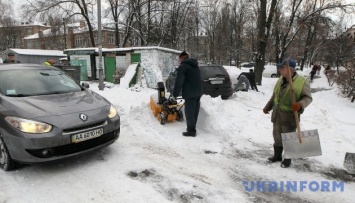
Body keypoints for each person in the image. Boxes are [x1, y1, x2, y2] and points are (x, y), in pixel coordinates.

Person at [263, 59, 312, 168]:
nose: (279, 69)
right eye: (280, 67)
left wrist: (300, 104)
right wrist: (268, 106)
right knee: (277, 136)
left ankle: (288, 159)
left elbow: (308, 98)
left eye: (282, 67)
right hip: (277, 115)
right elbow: (275, 95)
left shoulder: (302, 82)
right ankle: (277, 156)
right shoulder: (280, 79)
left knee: (289, 138)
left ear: (290, 69)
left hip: (290, 116)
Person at [171, 51, 202, 137]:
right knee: (195, 110)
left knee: (189, 112)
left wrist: (175, 94)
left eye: (179, 59)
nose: (179, 61)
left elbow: (179, 81)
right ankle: (193, 128)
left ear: (182, 58)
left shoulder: (183, 66)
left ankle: (191, 131)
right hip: (198, 92)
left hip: (190, 92)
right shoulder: (195, 65)